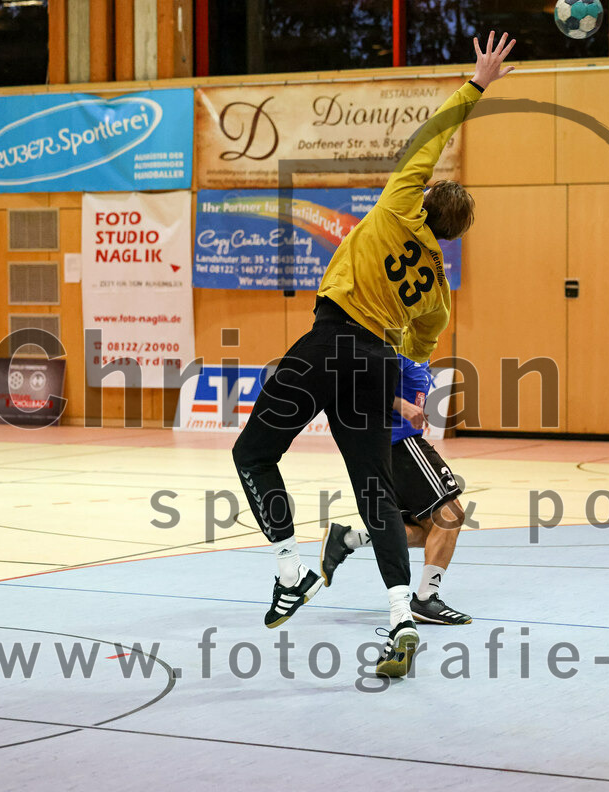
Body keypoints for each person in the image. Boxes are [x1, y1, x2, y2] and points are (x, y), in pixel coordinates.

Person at [231, 32, 516, 678]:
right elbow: (415, 351)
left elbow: (437, 130)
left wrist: (478, 81)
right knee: (376, 495)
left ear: (424, 201)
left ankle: (291, 570)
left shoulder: (395, 204)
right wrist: (401, 397)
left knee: (252, 452)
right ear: (453, 234)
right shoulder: (439, 291)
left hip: (330, 339)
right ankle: (400, 619)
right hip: (377, 363)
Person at [319, 354, 471, 626]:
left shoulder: (418, 348)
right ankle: (425, 599)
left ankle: (348, 540)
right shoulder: (395, 346)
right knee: (450, 516)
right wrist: (401, 405)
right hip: (399, 443)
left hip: (393, 446)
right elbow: (358, 387)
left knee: (431, 532)